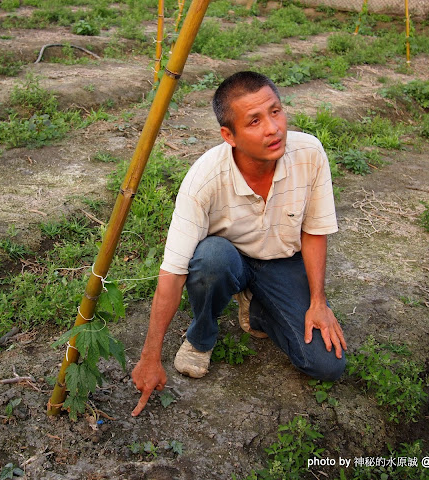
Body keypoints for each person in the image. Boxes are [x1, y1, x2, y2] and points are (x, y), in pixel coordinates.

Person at [130, 71, 347, 417]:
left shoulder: (309, 154)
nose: (273, 129)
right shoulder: (204, 180)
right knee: (210, 259)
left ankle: (258, 310)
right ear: (228, 135)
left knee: (326, 365)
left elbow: (314, 231)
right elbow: (171, 273)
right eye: (255, 121)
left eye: (275, 112)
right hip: (227, 258)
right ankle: (201, 336)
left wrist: (318, 302)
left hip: (281, 260)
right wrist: (149, 356)